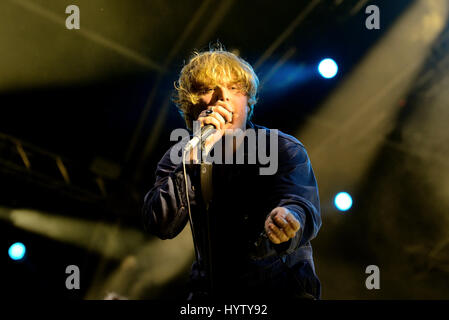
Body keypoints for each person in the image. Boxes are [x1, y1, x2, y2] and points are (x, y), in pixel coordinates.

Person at [142, 46, 322, 301]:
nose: (222, 97)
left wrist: (288, 218)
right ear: (192, 108)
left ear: (249, 103)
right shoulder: (181, 156)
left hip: (280, 290)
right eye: (207, 89)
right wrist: (194, 159)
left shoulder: (283, 148)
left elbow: (301, 204)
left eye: (234, 88)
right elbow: (159, 222)